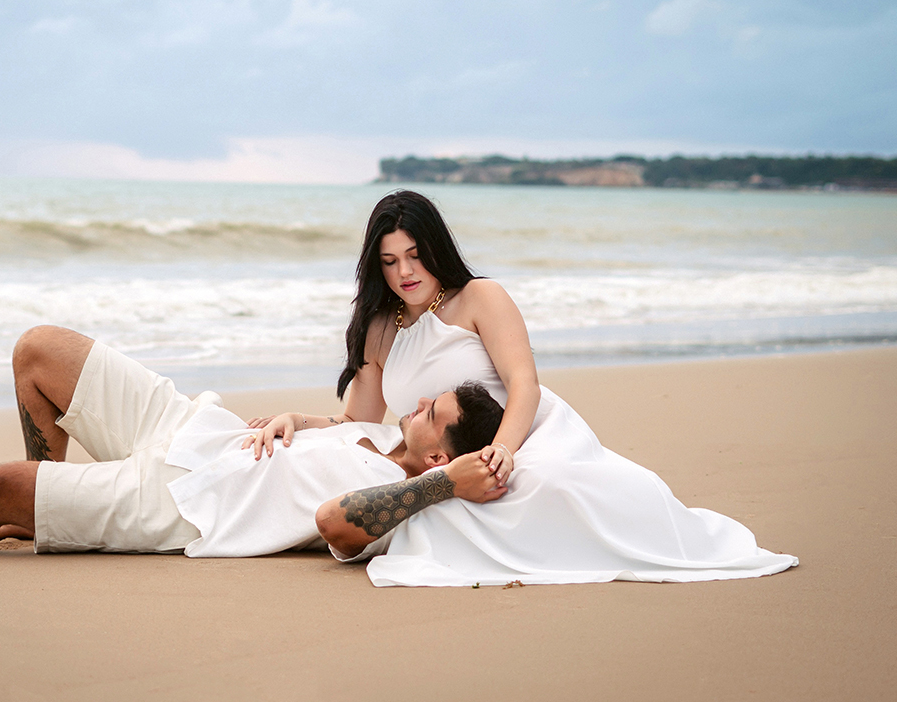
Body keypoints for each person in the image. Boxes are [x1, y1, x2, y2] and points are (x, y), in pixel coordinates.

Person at [250, 190, 798, 586]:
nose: (405, 273)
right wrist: (297, 420)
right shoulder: (378, 326)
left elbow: (524, 384)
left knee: (572, 495)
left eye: (415, 255)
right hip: (439, 454)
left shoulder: (480, 297)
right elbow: (358, 423)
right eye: (390, 262)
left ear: (435, 248)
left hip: (520, 430)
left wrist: (503, 451)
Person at [0, 332, 507, 561]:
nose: (417, 403)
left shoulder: (401, 509)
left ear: (441, 458)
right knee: (38, 351)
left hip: (181, 504)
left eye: (431, 410)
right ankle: (45, 499)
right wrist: (295, 418)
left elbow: (333, 525)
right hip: (194, 426)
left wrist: (448, 487)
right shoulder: (380, 435)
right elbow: (332, 424)